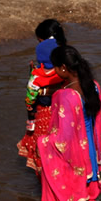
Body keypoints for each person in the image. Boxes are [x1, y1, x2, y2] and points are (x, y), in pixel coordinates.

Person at [36, 45, 101, 201]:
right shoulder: (92, 86)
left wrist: (42, 142)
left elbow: (63, 137)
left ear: (63, 69)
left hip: (70, 156)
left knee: (53, 199)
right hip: (89, 155)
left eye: (55, 68)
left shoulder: (65, 96)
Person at [17, 19, 67, 173]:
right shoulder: (65, 70)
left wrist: (30, 111)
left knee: (42, 149)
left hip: (43, 112)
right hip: (61, 113)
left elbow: (30, 96)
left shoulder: (37, 75)